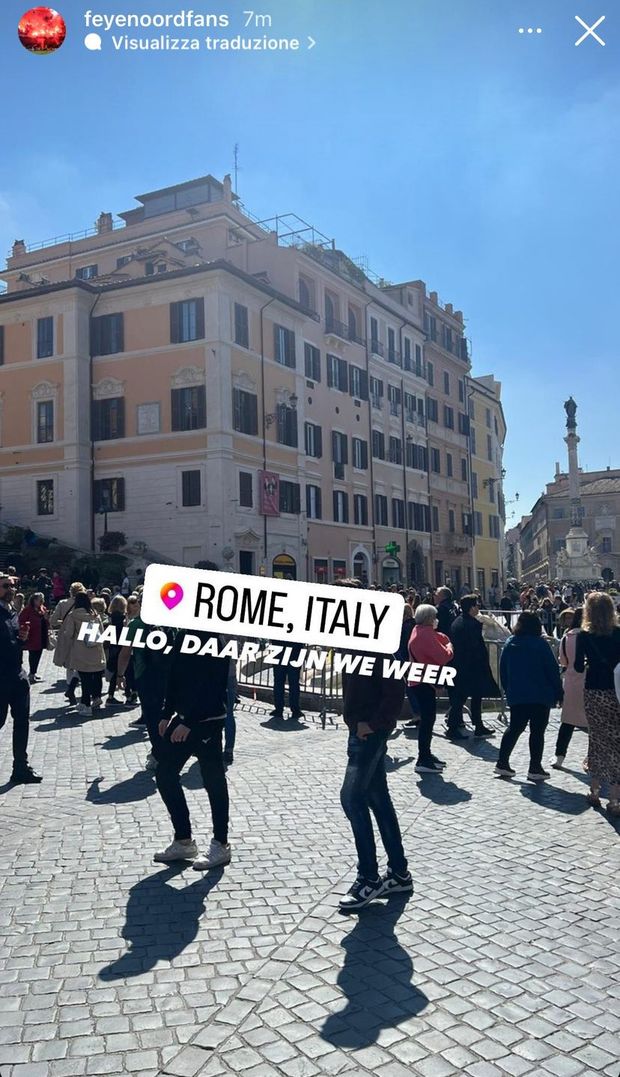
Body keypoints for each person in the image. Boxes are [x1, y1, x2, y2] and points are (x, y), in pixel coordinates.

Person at [336, 579, 412, 912]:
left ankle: (368, 877)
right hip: (361, 728)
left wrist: (374, 723)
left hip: (368, 732)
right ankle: (399, 873)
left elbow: (395, 688)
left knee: (351, 798)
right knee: (378, 798)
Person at [153, 630, 231, 871]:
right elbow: (175, 674)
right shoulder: (183, 633)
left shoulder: (213, 638)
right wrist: (167, 712)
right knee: (165, 774)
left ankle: (221, 843)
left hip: (207, 720)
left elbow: (212, 683)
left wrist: (190, 721)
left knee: (213, 779)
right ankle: (183, 840)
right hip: (185, 717)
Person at [496, 611, 563, 781]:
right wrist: (558, 691)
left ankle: (502, 762)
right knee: (537, 732)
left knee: (514, 728)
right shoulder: (540, 644)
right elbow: (552, 670)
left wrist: (508, 689)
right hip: (540, 694)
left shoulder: (510, 643)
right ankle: (535, 767)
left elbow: (503, 669)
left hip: (518, 693)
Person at [574, 593, 620, 815]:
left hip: (593, 690)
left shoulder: (584, 635)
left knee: (597, 738)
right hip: (616, 691)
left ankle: (594, 790)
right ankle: (615, 798)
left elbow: (578, 667)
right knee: (616, 741)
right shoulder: (618, 633)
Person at [0, 575, 42, 784]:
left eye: (12, 585)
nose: (11, 589)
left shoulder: (12, 612)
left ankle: (20, 767)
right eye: (5, 586)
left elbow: (13, 642)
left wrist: (21, 638)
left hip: (17, 675)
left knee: (22, 722)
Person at [407, 604, 453, 773]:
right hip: (424, 681)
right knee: (428, 720)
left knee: (428, 719)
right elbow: (444, 656)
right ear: (428, 619)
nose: (436, 620)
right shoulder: (425, 634)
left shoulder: (418, 630)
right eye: (434, 617)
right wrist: (450, 646)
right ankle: (423, 758)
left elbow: (438, 637)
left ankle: (426, 754)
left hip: (419, 679)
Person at [446, 595, 497, 740]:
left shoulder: (457, 621)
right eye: (477, 605)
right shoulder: (472, 624)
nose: (478, 608)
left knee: (469, 696)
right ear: (472, 607)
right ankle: (453, 727)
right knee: (464, 697)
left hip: (461, 665)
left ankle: (478, 725)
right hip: (472, 666)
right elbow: (475, 647)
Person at [550, 607, 587, 769]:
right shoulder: (592, 636)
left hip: (571, 682)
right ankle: (592, 757)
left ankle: (559, 756)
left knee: (567, 722)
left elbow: (563, 661)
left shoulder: (567, 637)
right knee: (593, 723)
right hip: (590, 681)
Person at [62, 592, 106, 716]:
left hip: (81, 651)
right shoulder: (95, 615)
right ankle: (92, 700)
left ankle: (86, 705)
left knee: (85, 679)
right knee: (95, 676)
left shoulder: (73, 616)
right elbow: (101, 631)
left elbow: (69, 633)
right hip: (96, 650)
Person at [51, 581, 86, 706]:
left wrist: (63, 622)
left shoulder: (62, 603)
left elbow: (53, 620)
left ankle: (70, 688)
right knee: (83, 663)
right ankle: (79, 690)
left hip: (66, 635)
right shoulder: (86, 604)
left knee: (69, 665)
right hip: (81, 635)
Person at [18, 592, 49, 683]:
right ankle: (31, 674)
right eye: (40, 599)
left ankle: (33, 672)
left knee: (38, 654)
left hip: (41, 635)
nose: (41, 601)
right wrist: (27, 626)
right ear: (34, 600)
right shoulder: (27, 610)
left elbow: (46, 622)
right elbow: (21, 621)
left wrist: (46, 618)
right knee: (33, 655)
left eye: (42, 599)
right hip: (32, 636)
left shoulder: (43, 609)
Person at [271, 642, 304, 720]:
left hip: (279, 652)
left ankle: (279, 709)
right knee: (294, 683)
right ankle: (295, 710)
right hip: (294, 653)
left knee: (279, 682)